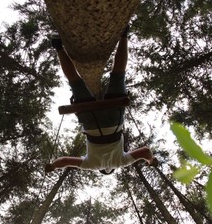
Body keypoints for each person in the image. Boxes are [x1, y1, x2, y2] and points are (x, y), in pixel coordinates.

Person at [45, 26, 155, 174]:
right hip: (91, 124)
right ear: (102, 170)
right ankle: (57, 45)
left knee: (118, 74)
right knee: (75, 81)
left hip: (114, 122)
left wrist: (151, 161)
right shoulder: (91, 165)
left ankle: (123, 34)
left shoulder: (121, 162)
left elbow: (146, 152)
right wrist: (52, 166)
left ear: (112, 169)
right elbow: (64, 161)